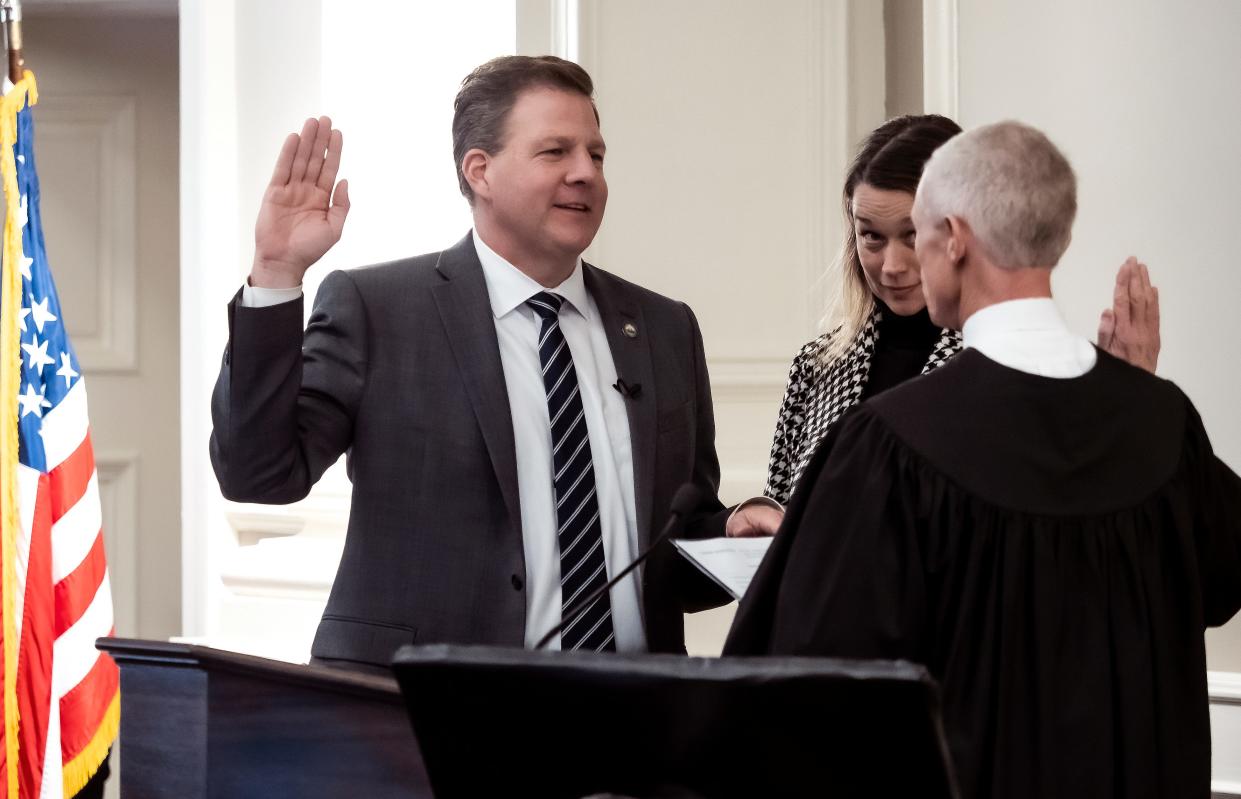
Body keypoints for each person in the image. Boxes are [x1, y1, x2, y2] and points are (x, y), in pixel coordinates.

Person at [725, 121, 1241, 798]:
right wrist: (1134, 394)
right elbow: (1218, 582)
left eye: (918, 232)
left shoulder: (889, 441)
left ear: (955, 238)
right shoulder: (1162, 420)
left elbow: (813, 685)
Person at [210, 56, 775, 672]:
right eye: (555, 152)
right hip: (430, 714)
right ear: (479, 170)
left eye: (597, 154)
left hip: (635, 721)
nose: (585, 173)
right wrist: (275, 275)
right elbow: (258, 474)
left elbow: (674, 547)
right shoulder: (380, 309)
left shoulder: (665, 328)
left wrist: (732, 531)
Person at [762, 114, 1159, 506]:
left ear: (959, 234)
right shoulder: (815, 367)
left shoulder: (1022, 368)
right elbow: (775, 525)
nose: (892, 266)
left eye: (912, 234)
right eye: (871, 236)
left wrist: (1126, 398)